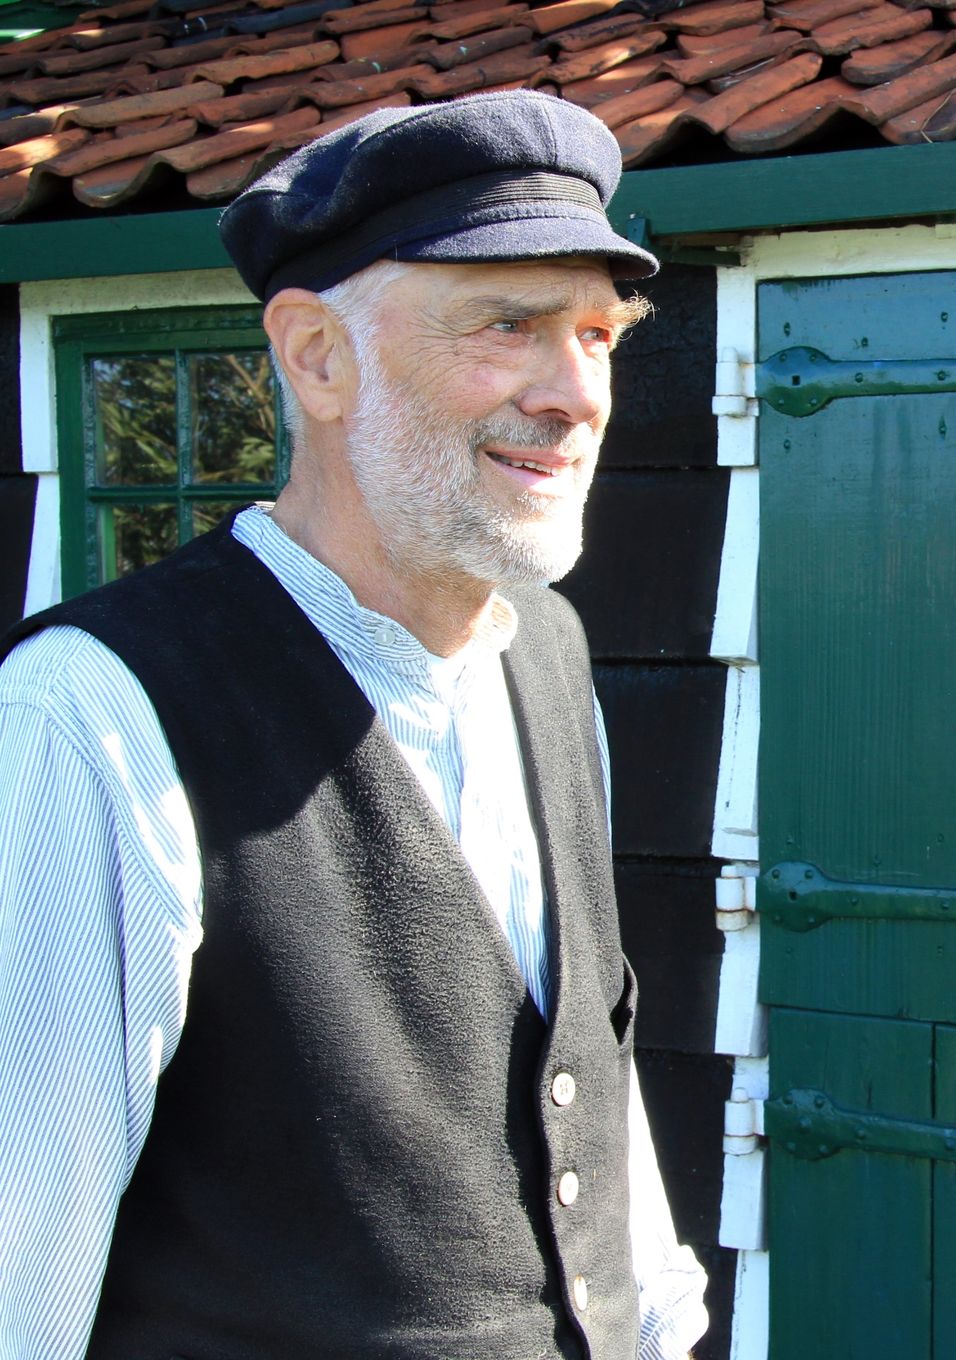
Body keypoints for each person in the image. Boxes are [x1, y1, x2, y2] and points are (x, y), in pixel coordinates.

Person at [0, 92, 709, 1359]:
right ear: (316, 357)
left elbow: (588, 1113)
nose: (574, 393)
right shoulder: (90, 720)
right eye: (510, 324)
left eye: (599, 334)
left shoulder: (545, 654)